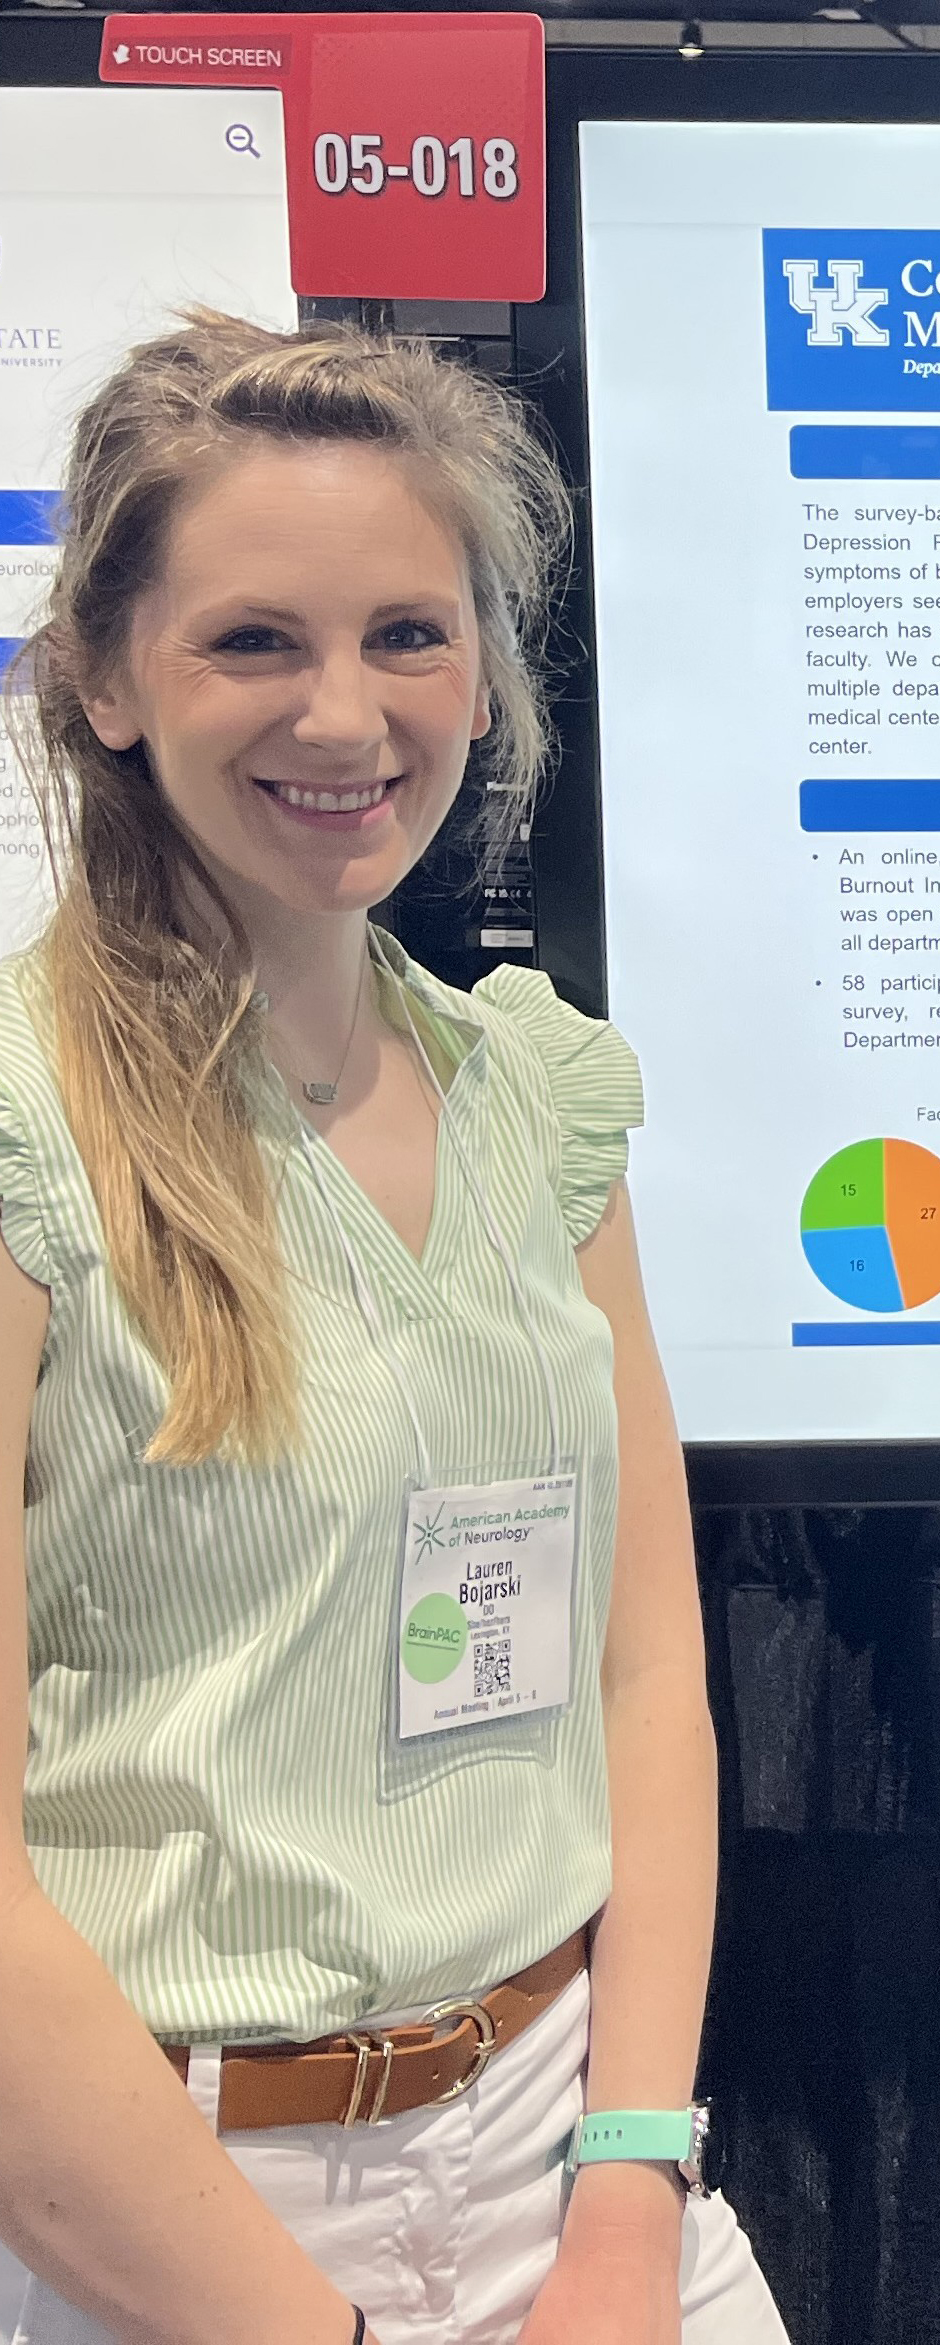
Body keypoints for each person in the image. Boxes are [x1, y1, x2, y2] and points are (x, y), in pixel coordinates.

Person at [0, 315, 785, 2341]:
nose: (345, 715)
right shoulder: (24, 1130)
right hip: (174, 2214)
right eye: (255, 640)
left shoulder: (542, 1092)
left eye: (409, 637)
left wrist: (630, 2198)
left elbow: (643, 1677)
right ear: (100, 677)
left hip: (577, 2160)